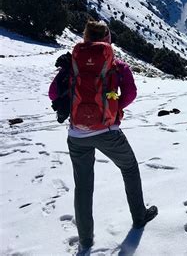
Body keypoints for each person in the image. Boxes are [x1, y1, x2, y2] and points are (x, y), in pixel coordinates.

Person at [49, 20, 157, 250]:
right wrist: (114, 107)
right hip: (108, 131)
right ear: (107, 39)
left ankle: (86, 241)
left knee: (83, 186)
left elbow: (53, 93)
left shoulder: (73, 63)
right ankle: (139, 216)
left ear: (85, 38)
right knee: (129, 168)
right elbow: (131, 93)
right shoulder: (117, 65)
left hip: (77, 135)